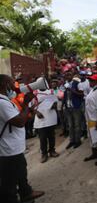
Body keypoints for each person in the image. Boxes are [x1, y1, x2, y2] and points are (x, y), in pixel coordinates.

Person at [0, 74, 45, 203]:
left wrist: (27, 111)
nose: (15, 87)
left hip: (14, 147)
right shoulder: (2, 103)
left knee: (21, 172)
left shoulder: (5, 100)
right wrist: (25, 104)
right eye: (11, 83)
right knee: (9, 184)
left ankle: (26, 192)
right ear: (4, 85)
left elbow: (20, 118)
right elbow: (19, 122)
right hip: (9, 149)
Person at [33, 78, 60, 163]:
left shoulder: (51, 91)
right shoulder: (35, 93)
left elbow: (56, 102)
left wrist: (53, 106)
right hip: (40, 118)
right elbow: (31, 106)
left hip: (51, 117)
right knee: (42, 138)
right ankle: (44, 154)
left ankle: (52, 150)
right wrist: (36, 112)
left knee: (51, 136)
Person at [63, 71, 84, 149]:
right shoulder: (65, 84)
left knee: (77, 124)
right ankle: (72, 141)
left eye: (69, 75)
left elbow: (82, 94)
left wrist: (72, 90)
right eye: (66, 75)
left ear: (72, 76)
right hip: (68, 107)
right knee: (70, 125)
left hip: (76, 107)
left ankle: (78, 141)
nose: (68, 76)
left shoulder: (77, 83)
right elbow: (65, 95)